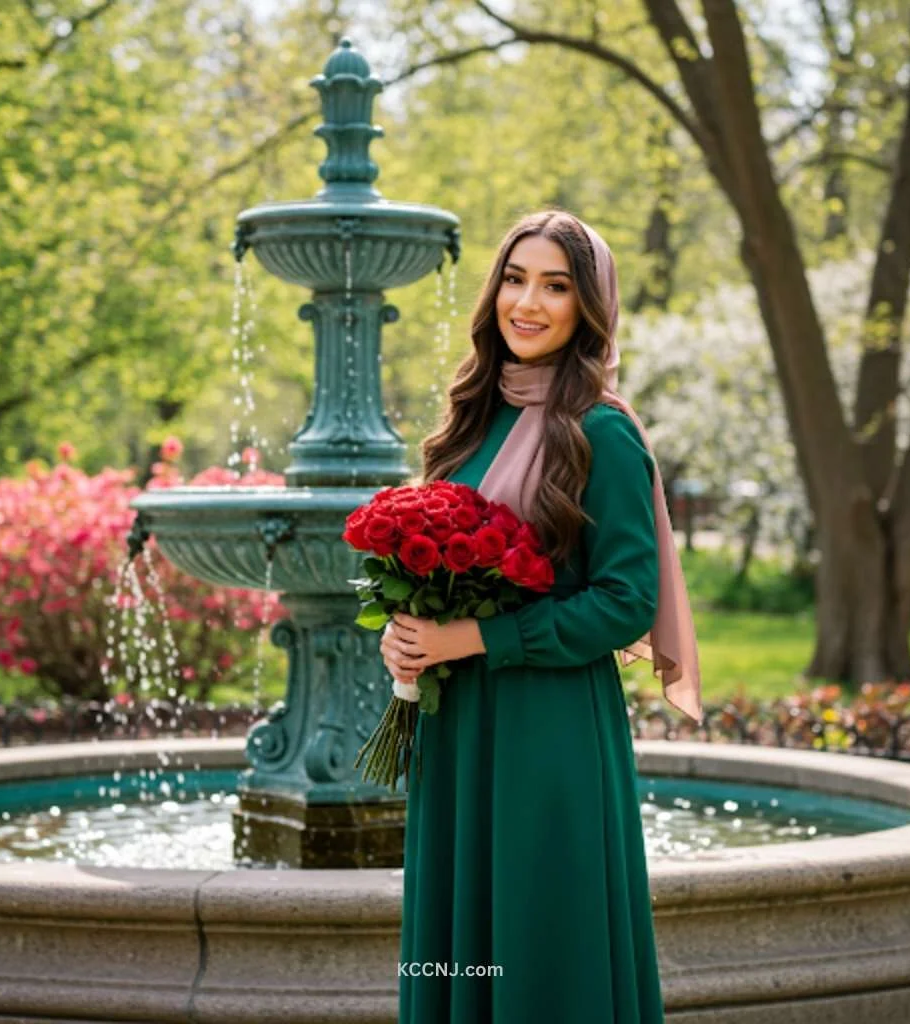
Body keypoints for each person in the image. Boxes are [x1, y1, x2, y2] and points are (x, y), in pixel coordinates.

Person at [381, 209, 703, 1023]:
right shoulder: (472, 423)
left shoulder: (602, 432)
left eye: (556, 286)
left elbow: (627, 600)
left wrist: (477, 636)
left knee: (539, 940)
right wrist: (406, 632)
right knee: (462, 947)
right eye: (516, 279)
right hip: (459, 726)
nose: (528, 302)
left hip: (547, 729)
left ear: (588, 307)